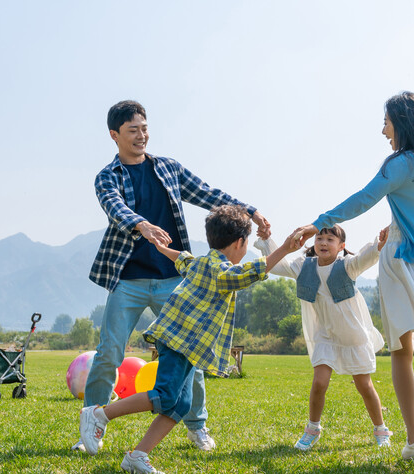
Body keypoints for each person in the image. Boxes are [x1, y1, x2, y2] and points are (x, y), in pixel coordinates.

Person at [77, 100, 270, 454]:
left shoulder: (168, 168)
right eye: (133, 130)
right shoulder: (108, 176)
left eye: (145, 128)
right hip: (129, 279)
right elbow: (114, 207)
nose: (141, 136)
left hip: (175, 280)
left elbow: (207, 193)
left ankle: (197, 426)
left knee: (191, 357)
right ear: (114, 135)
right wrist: (141, 224)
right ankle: (90, 426)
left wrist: (250, 209)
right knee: (109, 354)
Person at [296, 91, 414, 472]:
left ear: (401, 122)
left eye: (386, 122)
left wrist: (319, 221)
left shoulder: (400, 163)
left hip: (402, 260)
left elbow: (364, 198)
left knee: (402, 351)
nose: (383, 130)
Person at [80, 205, 302, 474]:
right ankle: (99, 415)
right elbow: (254, 271)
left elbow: (180, 258)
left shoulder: (199, 262)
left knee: (181, 404)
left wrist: (162, 249)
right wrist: (286, 249)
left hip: (183, 344)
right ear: (240, 243)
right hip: (179, 342)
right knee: (164, 395)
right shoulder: (222, 273)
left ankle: (138, 456)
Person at [255, 224, 391, 451]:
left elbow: (366, 258)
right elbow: (279, 265)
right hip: (324, 336)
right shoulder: (303, 266)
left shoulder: (348, 265)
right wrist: (269, 240)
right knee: (319, 383)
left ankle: (381, 429)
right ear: (313, 243)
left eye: (330, 239)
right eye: (319, 238)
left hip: (352, 337)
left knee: (364, 386)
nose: (324, 243)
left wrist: (379, 243)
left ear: (341, 246)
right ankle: (312, 429)